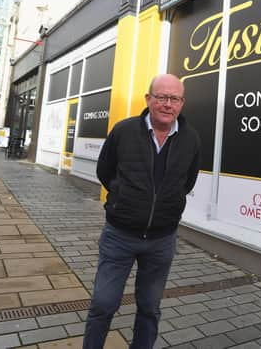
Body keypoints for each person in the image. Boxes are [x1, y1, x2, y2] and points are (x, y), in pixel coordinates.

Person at [83, 74, 201, 349]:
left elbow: (187, 181)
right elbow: (105, 171)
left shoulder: (191, 139)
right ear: (148, 99)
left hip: (162, 240)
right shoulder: (123, 131)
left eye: (174, 98)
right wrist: (124, 199)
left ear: (182, 103)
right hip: (119, 235)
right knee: (103, 303)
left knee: (150, 308)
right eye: (161, 97)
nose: (167, 104)